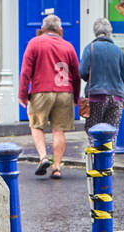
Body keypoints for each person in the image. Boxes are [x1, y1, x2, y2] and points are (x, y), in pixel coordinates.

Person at [19, 14, 81, 179]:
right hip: (64, 92)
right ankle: (57, 167)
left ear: (42, 29)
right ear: (60, 30)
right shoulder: (68, 46)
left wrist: (23, 94)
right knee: (58, 130)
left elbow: (26, 71)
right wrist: (76, 97)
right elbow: (76, 74)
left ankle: (43, 157)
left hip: (41, 91)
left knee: (37, 125)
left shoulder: (34, 43)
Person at [79, 19, 124, 133]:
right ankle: (109, 150)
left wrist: (92, 77)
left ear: (95, 32)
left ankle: (96, 150)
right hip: (117, 97)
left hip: (96, 96)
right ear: (109, 32)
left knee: (93, 130)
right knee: (111, 132)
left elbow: (82, 72)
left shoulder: (90, 48)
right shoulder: (118, 51)